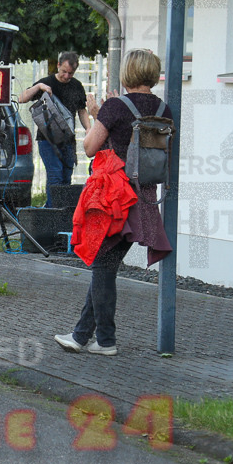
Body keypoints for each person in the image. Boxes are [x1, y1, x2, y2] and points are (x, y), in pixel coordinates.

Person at [55, 48, 173, 357]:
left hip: (115, 198)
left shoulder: (116, 106)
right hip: (145, 200)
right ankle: (82, 336)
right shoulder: (164, 109)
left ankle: (105, 341)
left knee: (102, 266)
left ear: (127, 72)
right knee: (105, 266)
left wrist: (98, 115)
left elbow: (90, 146)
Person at [17, 51, 90, 198]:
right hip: (48, 139)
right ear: (58, 65)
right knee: (55, 174)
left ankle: (62, 207)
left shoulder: (77, 86)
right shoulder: (47, 82)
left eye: (71, 73)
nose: (66, 76)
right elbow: (21, 98)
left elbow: (82, 110)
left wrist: (88, 128)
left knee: (66, 176)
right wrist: (38, 87)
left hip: (68, 139)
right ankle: (53, 208)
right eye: (64, 71)